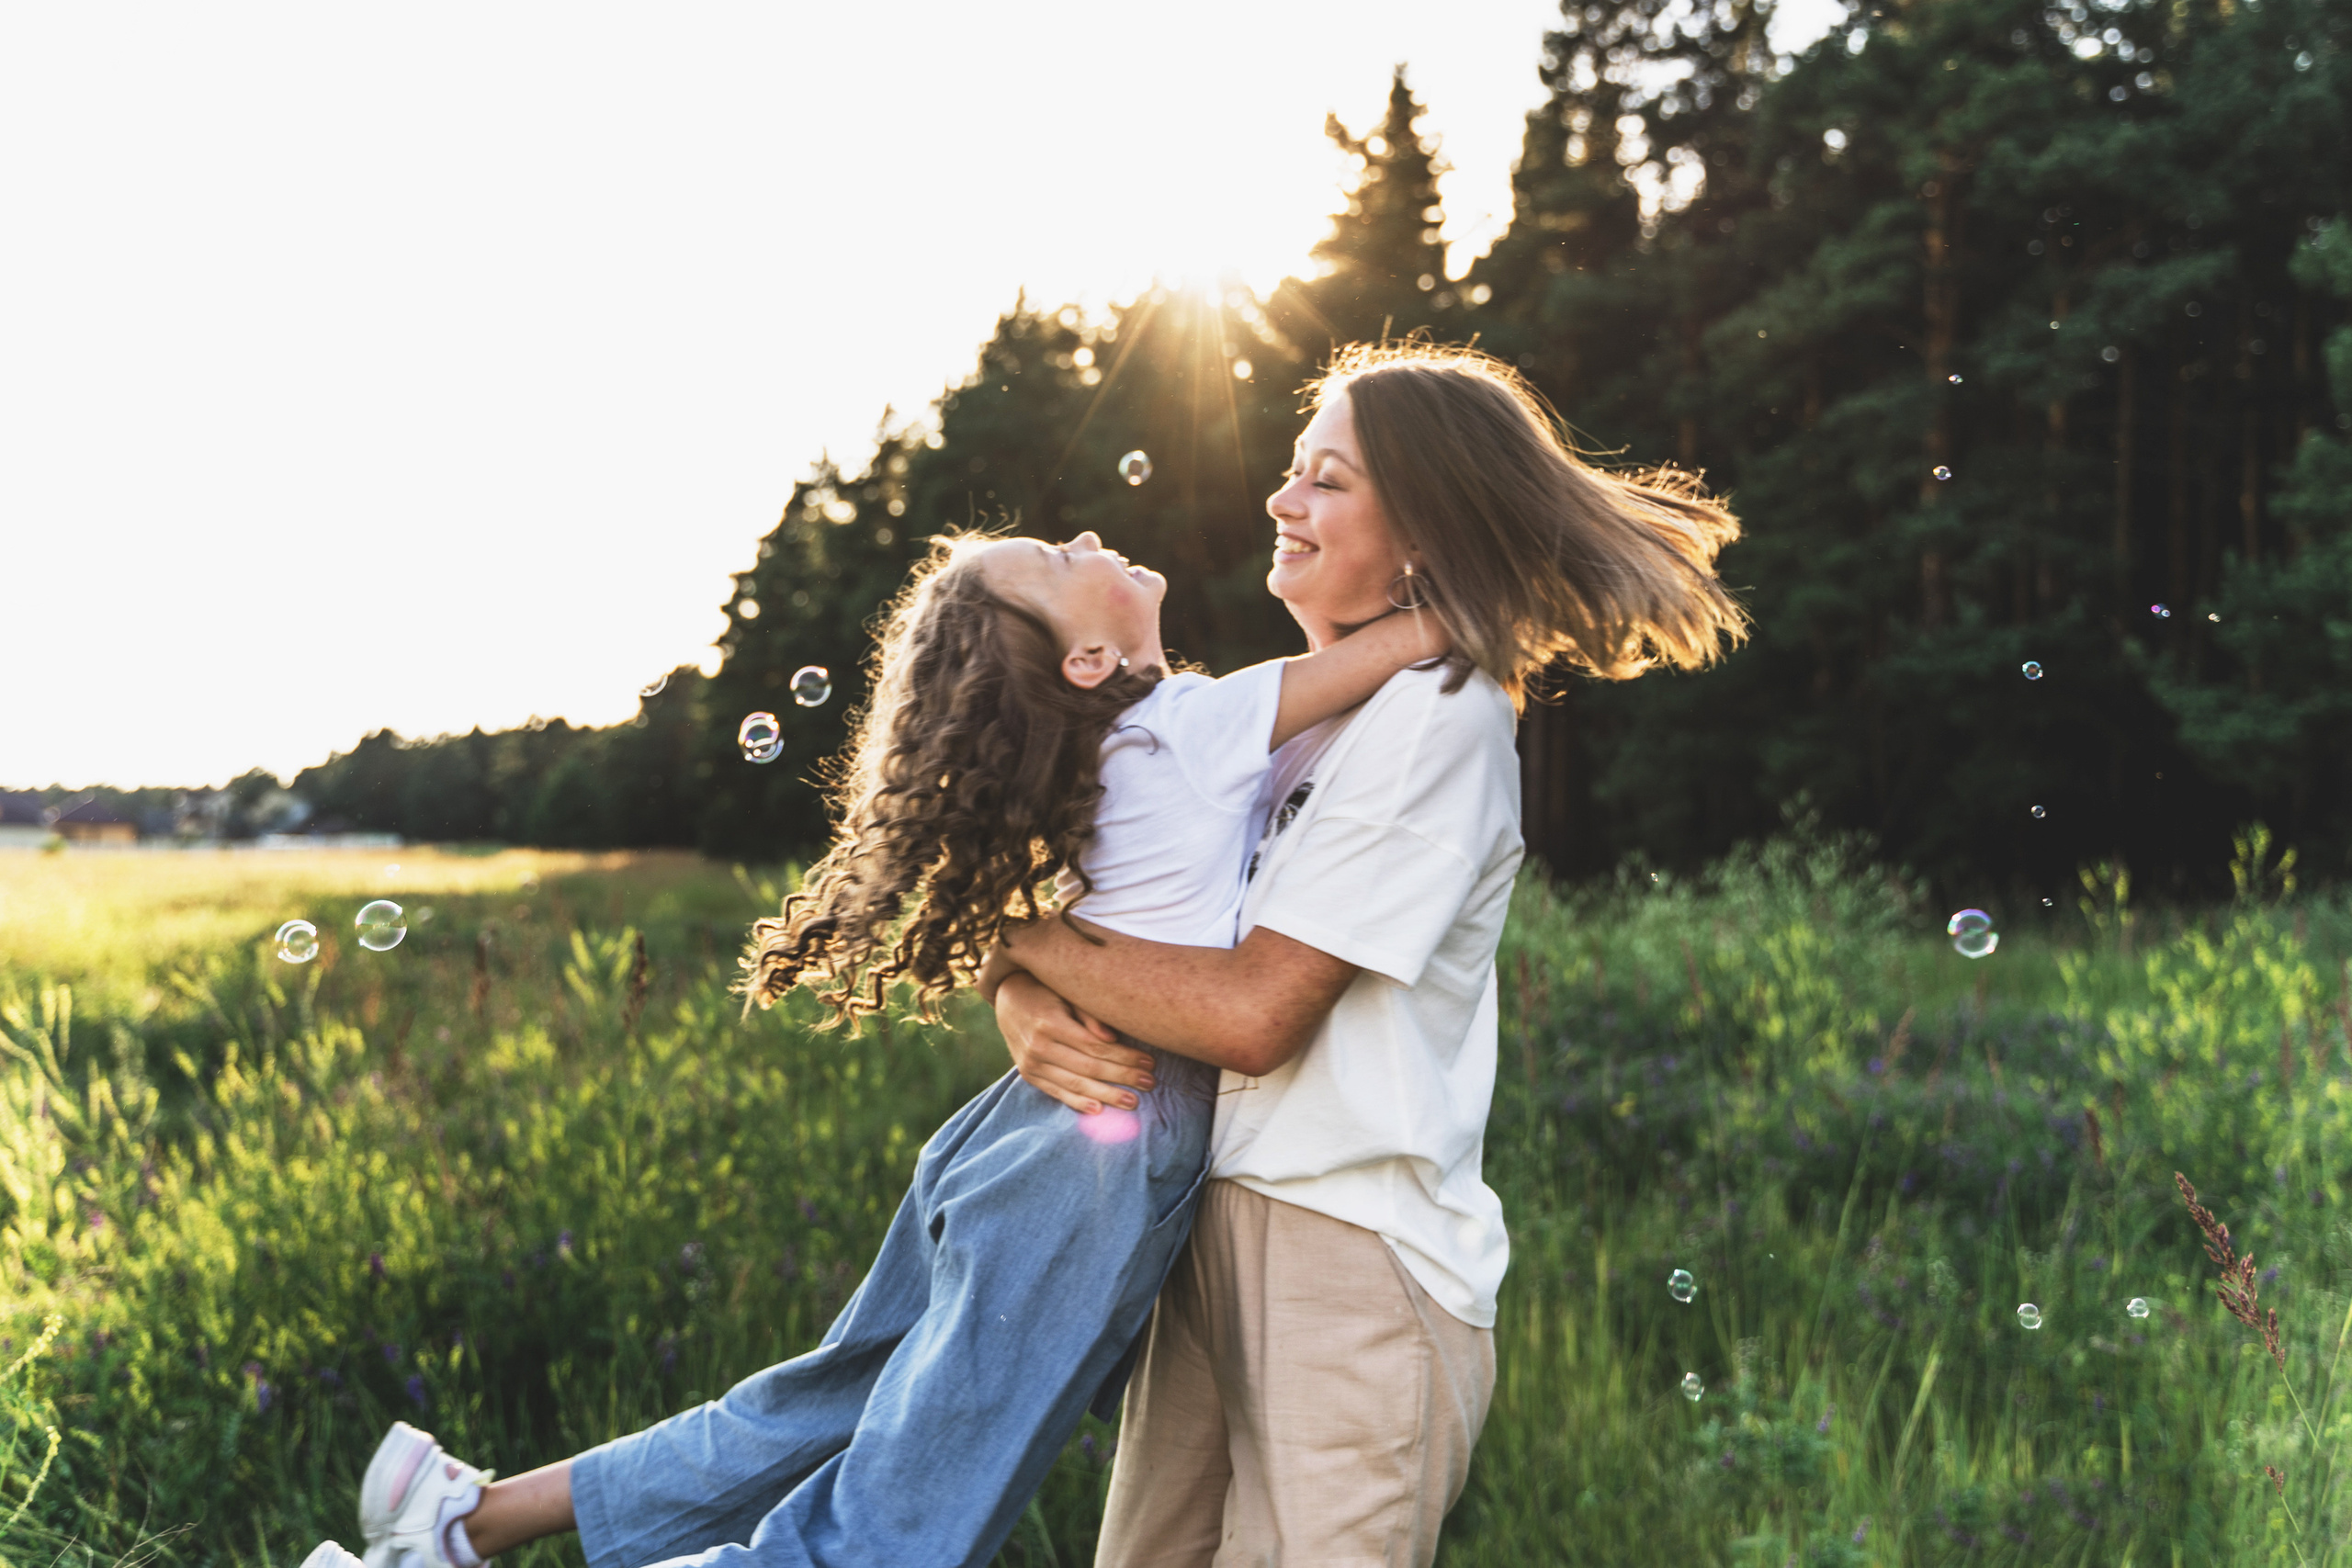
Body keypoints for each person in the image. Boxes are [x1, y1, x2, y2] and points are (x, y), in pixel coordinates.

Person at [302, 523, 1445, 1568]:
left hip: (1024, 1122)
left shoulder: (1100, 757)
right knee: (899, 1522)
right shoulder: (1194, 722)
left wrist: (1016, 984)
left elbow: (1044, 929)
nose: (1089, 534)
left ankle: (459, 1522)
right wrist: (1516, 579)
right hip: (1112, 1123)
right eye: (1058, 558)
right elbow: (1417, 637)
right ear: (1087, 665)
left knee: (836, 1401)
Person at [985, 340, 1747, 1567]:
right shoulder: (1271, 720)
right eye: (1292, 471)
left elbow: (1250, 1012)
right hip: (1205, 1224)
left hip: (1348, 1251)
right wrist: (1017, 991)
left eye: (1326, 480)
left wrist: (1011, 936)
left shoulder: (1436, 716)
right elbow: (1112, 916)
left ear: (1424, 532)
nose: (1281, 502)